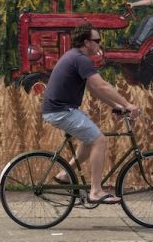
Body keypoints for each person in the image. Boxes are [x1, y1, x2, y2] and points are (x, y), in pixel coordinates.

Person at [41, 23, 140, 205]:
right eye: (97, 41)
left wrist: (117, 105)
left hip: (61, 109)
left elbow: (95, 90)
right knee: (99, 140)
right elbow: (102, 85)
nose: (100, 44)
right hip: (61, 111)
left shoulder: (76, 57)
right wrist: (128, 104)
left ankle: (65, 173)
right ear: (86, 42)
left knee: (90, 138)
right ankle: (95, 191)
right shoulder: (80, 59)